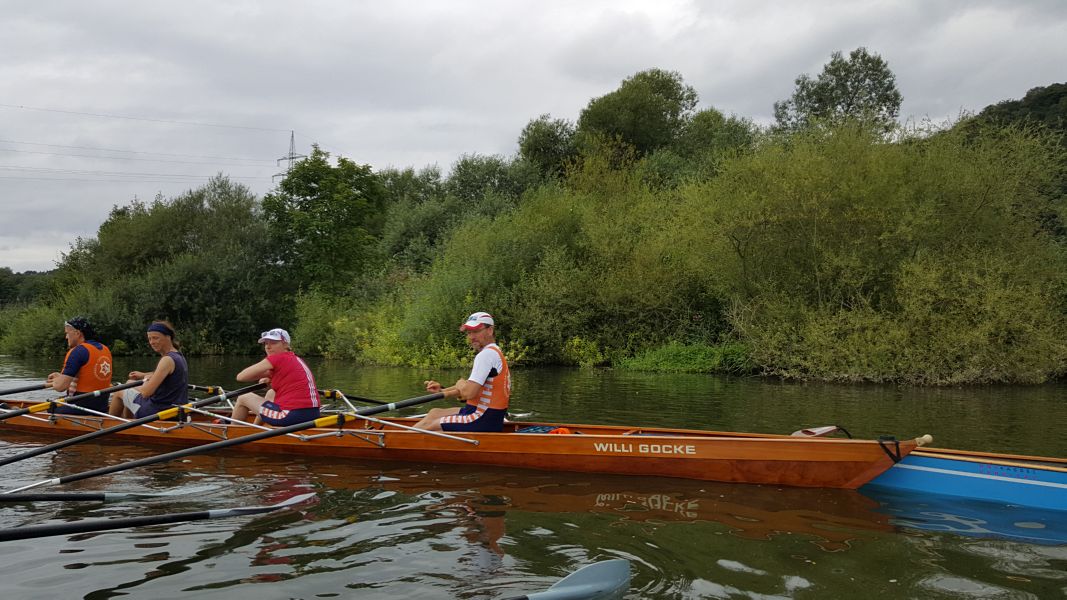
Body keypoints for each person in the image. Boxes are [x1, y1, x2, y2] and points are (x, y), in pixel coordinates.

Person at [415, 311, 510, 432]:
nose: (471, 337)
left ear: (490, 330)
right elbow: (471, 388)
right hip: (484, 415)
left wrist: (461, 383)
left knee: (432, 426)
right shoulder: (494, 351)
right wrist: (443, 390)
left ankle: (391, 441)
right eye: (469, 333)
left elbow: (468, 393)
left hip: (481, 419)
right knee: (434, 413)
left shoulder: (486, 355)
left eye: (476, 331)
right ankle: (395, 438)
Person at [232, 328, 320, 426]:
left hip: (289, 416)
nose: (268, 347)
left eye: (273, 342)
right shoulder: (295, 359)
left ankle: (232, 434)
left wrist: (267, 375)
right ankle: (257, 428)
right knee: (271, 392)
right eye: (266, 343)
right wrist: (270, 377)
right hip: (313, 415)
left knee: (243, 397)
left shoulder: (277, 358)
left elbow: (241, 377)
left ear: (286, 344)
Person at [109, 320, 189, 419]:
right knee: (129, 384)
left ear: (168, 337)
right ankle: (130, 423)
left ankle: (109, 425)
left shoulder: (167, 360)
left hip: (157, 412)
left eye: (155, 338)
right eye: (150, 339)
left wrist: (145, 380)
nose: (152, 342)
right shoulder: (178, 355)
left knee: (119, 391)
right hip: (176, 410)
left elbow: (146, 393)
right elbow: (164, 374)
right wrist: (143, 375)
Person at [46, 316, 114, 414]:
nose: (66, 337)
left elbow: (60, 387)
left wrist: (56, 382)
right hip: (101, 406)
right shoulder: (105, 349)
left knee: (50, 407)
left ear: (77, 333)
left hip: (81, 408)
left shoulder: (78, 352)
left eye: (67, 333)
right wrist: (60, 377)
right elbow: (88, 377)